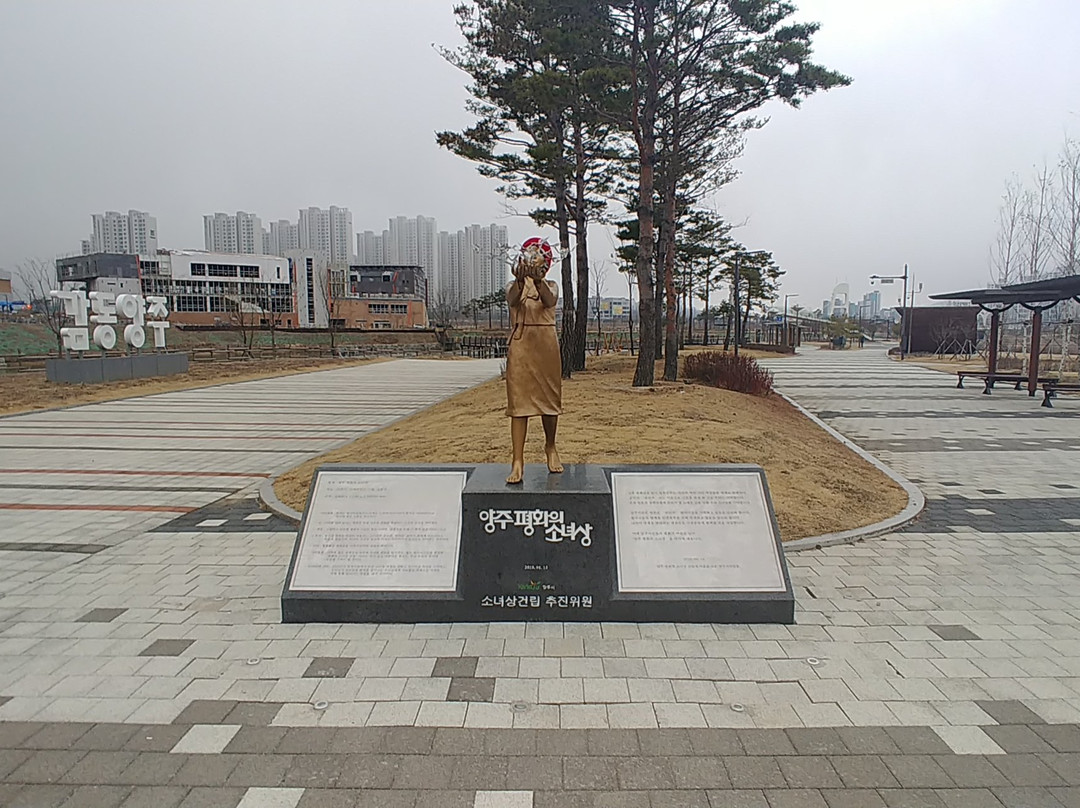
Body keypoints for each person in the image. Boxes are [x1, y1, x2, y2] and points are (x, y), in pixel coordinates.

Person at [504, 240, 563, 484]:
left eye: (540, 257)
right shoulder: (513, 285)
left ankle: (550, 446)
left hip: (546, 346)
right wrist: (520, 281)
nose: (535, 259)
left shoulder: (551, 285)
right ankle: (517, 459)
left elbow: (549, 301)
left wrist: (537, 281)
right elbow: (512, 300)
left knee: (549, 402)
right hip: (520, 344)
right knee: (518, 404)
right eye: (531, 255)